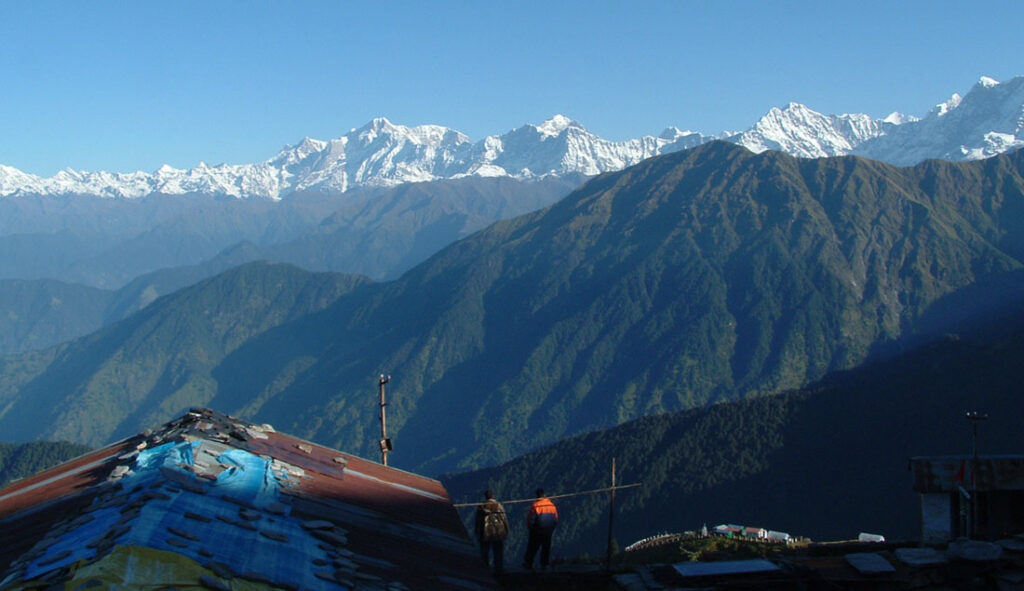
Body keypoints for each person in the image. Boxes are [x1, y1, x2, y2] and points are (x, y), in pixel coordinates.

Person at [474, 489, 509, 575]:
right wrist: (506, 530)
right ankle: (498, 569)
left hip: (485, 532)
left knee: (484, 552)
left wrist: (476, 531)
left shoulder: (481, 507)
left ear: (485, 497)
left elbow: (477, 520)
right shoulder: (498, 506)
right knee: (498, 552)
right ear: (493, 496)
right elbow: (504, 519)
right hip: (498, 532)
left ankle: (485, 570)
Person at [522, 488, 558, 570]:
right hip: (548, 531)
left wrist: (530, 528)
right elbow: (555, 519)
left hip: (537, 530)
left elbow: (531, 519)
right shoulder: (551, 505)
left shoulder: (536, 505)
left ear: (537, 496)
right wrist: (551, 529)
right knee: (546, 548)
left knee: (532, 547)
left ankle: (528, 563)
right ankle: (544, 564)